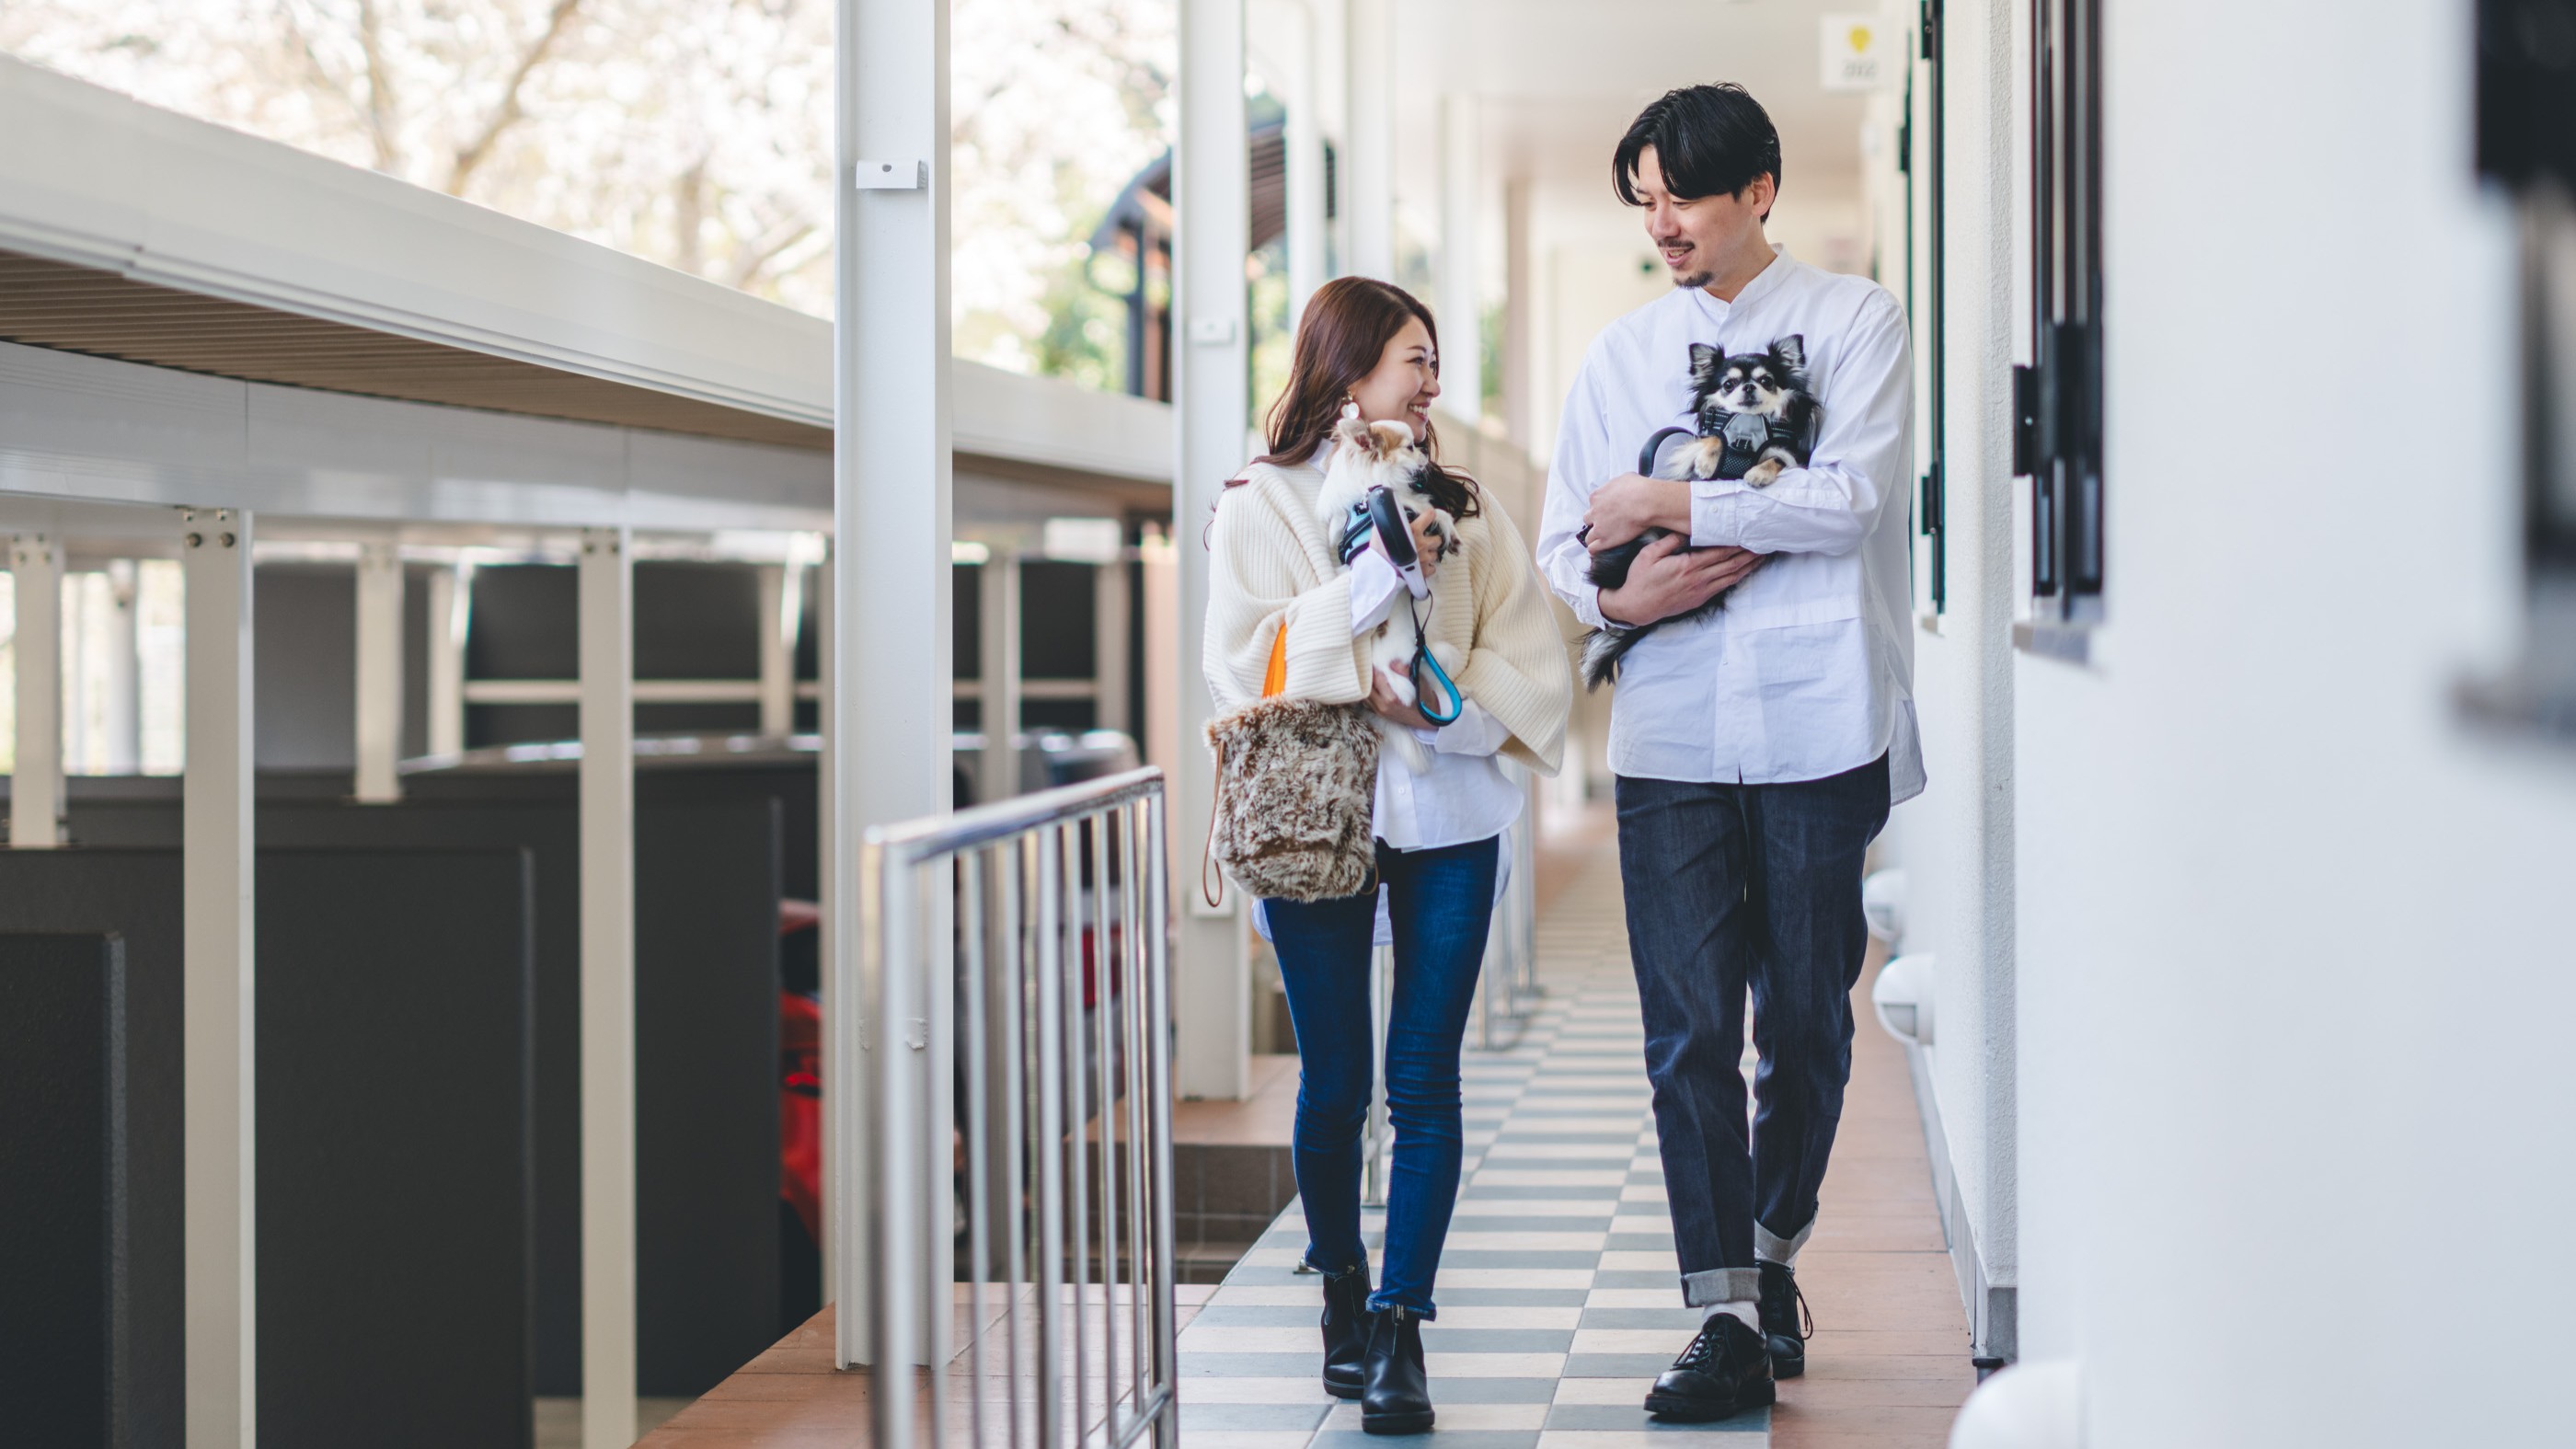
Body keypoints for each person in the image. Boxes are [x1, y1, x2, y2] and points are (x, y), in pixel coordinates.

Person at [1534, 84, 1925, 1422]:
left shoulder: (1859, 321)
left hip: (1821, 722)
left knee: (1807, 1019)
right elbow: (1557, 548)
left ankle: (1769, 1259)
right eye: (1643, 199)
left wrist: (1666, 499)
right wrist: (1616, 597)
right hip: (1673, 728)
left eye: (1683, 196)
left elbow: (1848, 497)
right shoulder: (1619, 355)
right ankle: (1718, 1310)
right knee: (1689, 1024)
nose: (1663, 223)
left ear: (1759, 190)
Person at [1204, 276, 1572, 1435]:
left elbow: (1530, 643)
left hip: (1450, 815)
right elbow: (1242, 658)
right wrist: (1372, 581)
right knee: (1335, 1081)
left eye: (1433, 363)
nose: (1430, 382)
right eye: (1413, 357)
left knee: (1425, 1079)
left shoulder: (1459, 501)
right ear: (1348, 364)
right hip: (1319, 818)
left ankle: (1402, 1329)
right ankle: (1341, 1289)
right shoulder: (1256, 504)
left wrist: (1442, 713)